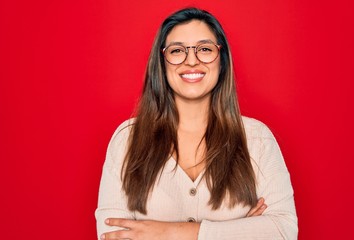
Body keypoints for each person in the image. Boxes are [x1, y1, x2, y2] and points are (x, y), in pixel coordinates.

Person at [95, 7, 298, 240]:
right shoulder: (127, 140)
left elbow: (283, 231)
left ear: (221, 61)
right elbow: (111, 235)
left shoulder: (257, 139)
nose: (191, 61)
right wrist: (240, 230)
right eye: (177, 50)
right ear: (161, 62)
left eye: (204, 49)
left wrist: (170, 232)